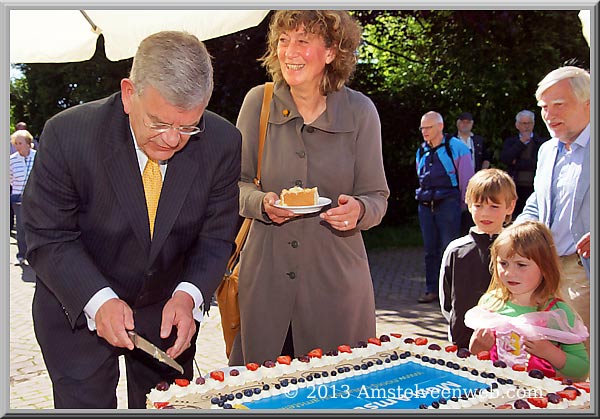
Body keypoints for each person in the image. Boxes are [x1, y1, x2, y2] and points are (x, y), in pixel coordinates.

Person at [21, 31, 241, 409]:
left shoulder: (222, 142)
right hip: (77, 307)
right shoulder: (68, 134)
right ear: (128, 93)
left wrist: (190, 296)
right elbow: (47, 235)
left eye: (188, 126)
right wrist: (99, 300)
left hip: (167, 313)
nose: (173, 140)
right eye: (158, 123)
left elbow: (216, 236)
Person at [229, 10, 389, 366]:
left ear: (331, 51)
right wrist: (261, 203)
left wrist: (359, 211)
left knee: (335, 390)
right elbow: (234, 186)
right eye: (283, 40)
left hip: (336, 285)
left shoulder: (361, 112)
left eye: (303, 40)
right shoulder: (259, 102)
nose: (290, 51)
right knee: (261, 392)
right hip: (266, 282)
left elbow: (377, 196)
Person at [515, 66, 590, 355]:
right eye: (544, 107)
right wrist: (518, 232)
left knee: (580, 357)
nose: (548, 114)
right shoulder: (547, 150)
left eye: (558, 104)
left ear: (588, 103)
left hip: (584, 271)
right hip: (546, 268)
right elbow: (538, 200)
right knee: (546, 355)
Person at [468, 221, 589, 381]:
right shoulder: (491, 303)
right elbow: (473, 357)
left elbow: (581, 370)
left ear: (545, 267)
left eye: (521, 265)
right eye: (503, 263)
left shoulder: (556, 312)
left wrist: (550, 352)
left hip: (537, 398)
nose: (510, 272)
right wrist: (477, 347)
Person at [439, 168, 516, 349]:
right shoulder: (456, 251)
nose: (485, 214)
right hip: (463, 342)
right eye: (478, 205)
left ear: (510, 207)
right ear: (468, 203)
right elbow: (446, 301)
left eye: (494, 206)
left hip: (508, 346)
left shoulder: (518, 249)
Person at [415, 111, 473, 304]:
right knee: (429, 250)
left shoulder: (456, 147)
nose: (424, 131)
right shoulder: (422, 150)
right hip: (425, 204)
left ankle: (451, 293)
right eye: (422, 128)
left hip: (448, 203)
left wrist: (465, 205)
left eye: (428, 127)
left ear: (440, 127)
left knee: (450, 249)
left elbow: (467, 178)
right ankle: (431, 289)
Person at [500, 110, 548, 218]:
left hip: (533, 186)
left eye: (529, 123)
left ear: (533, 124)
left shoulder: (541, 142)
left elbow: (538, 163)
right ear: (517, 125)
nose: (526, 126)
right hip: (515, 186)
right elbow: (505, 159)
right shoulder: (511, 141)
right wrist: (521, 143)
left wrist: (516, 162)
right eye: (523, 123)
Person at [454, 111, 491, 235]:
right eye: (463, 122)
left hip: (476, 181)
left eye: (468, 122)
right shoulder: (451, 141)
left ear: (472, 124)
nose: (465, 125)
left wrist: (482, 173)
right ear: (458, 123)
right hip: (456, 182)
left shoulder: (478, 140)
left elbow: (486, 157)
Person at [9, 129, 37, 265]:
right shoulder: (11, 160)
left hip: (36, 198)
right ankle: (21, 254)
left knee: (35, 226)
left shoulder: (38, 157)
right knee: (21, 227)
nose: (17, 146)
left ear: (28, 143)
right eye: (15, 143)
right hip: (18, 198)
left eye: (20, 143)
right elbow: (9, 179)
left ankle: (34, 254)